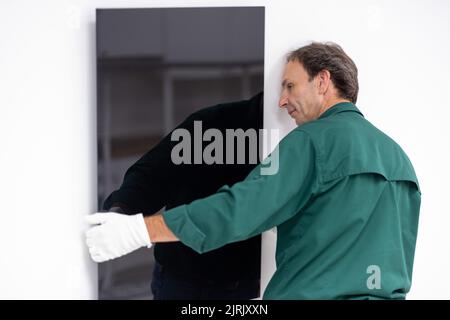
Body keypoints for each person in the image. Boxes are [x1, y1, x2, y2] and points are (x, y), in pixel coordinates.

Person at [86, 42, 421, 299]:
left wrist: (140, 231)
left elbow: (239, 209)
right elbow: (387, 256)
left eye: (291, 85)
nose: (282, 99)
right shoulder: (400, 159)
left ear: (322, 82)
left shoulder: (310, 142)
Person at [98, 92, 264, 299]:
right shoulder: (213, 124)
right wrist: (121, 212)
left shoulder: (296, 143)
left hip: (245, 284)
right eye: (285, 86)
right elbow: (154, 173)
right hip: (182, 278)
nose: (286, 98)